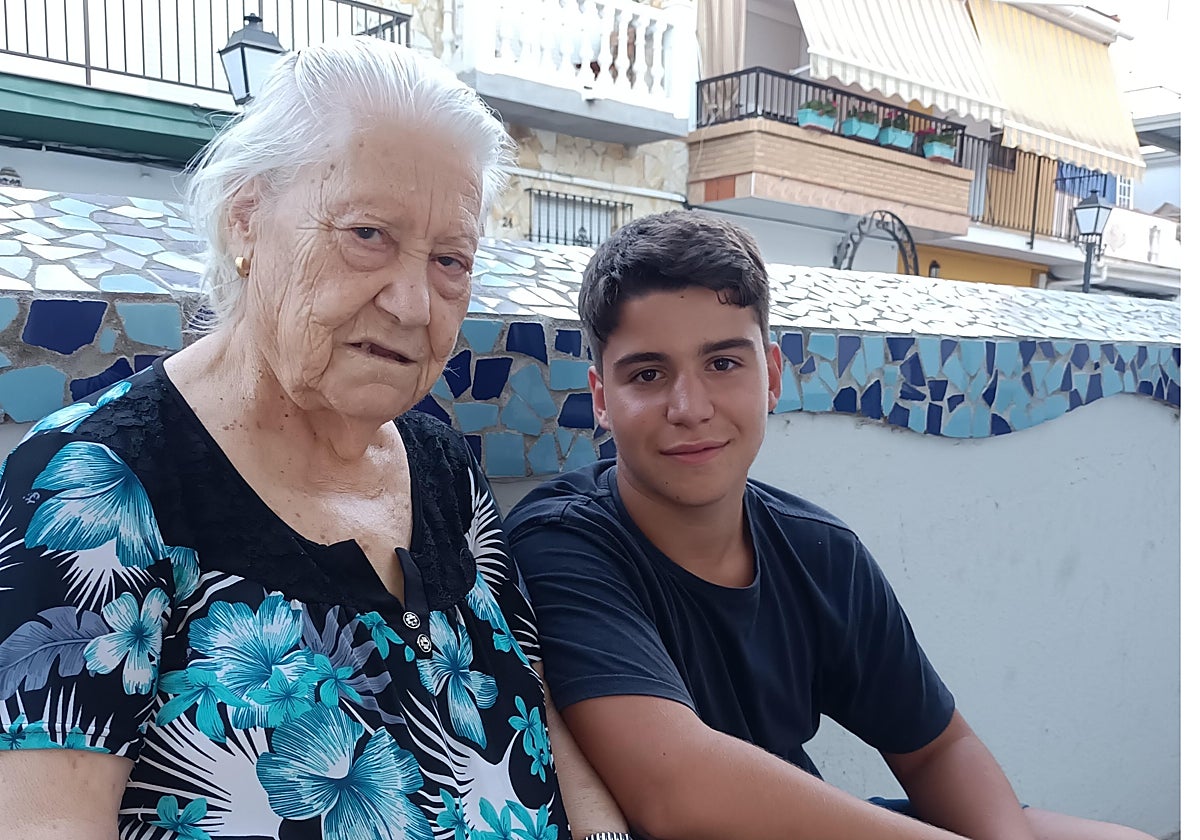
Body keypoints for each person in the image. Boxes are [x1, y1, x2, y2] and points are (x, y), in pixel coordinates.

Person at [0, 37, 625, 840]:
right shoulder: (91, 482)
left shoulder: (439, 467)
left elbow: (539, 705)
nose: (411, 302)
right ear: (247, 220)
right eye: (368, 233)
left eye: (449, 259)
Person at [504, 211, 1157, 840]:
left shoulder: (818, 551)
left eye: (724, 363)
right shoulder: (561, 547)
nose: (689, 407)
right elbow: (674, 791)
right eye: (648, 374)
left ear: (773, 377)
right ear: (601, 400)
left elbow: (939, 748)